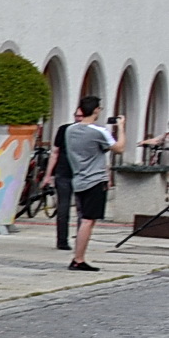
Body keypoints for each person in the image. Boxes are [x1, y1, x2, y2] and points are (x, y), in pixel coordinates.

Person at [65, 96, 124, 271]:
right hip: (95, 180)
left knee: (83, 218)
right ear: (96, 110)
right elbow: (119, 148)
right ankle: (78, 259)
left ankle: (78, 257)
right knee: (88, 221)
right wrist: (121, 127)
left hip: (78, 178)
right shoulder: (99, 131)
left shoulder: (70, 130)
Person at [41, 114, 77, 251]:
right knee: (63, 207)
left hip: (82, 174)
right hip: (63, 173)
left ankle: (81, 239)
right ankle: (62, 240)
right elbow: (55, 153)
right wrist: (48, 175)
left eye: (81, 116)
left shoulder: (92, 131)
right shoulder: (64, 129)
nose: (79, 119)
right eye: (77, 116)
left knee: (82, 209)